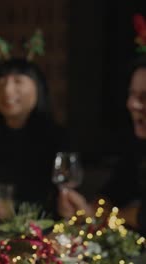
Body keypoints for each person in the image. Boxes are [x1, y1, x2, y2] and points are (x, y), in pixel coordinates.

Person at [0, 58, 68, 220]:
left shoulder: (58, 139)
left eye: (18, 81)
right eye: (1, 82)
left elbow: (61, 200)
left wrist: (12, 210)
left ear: (38, 87)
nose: (7, 90)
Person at [58, 56, 146, 235]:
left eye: (145, 97)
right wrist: (86, 210)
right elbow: (116, 190)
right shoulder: (137, 147)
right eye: (132, 94)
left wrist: (102, 217)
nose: (132, 104)